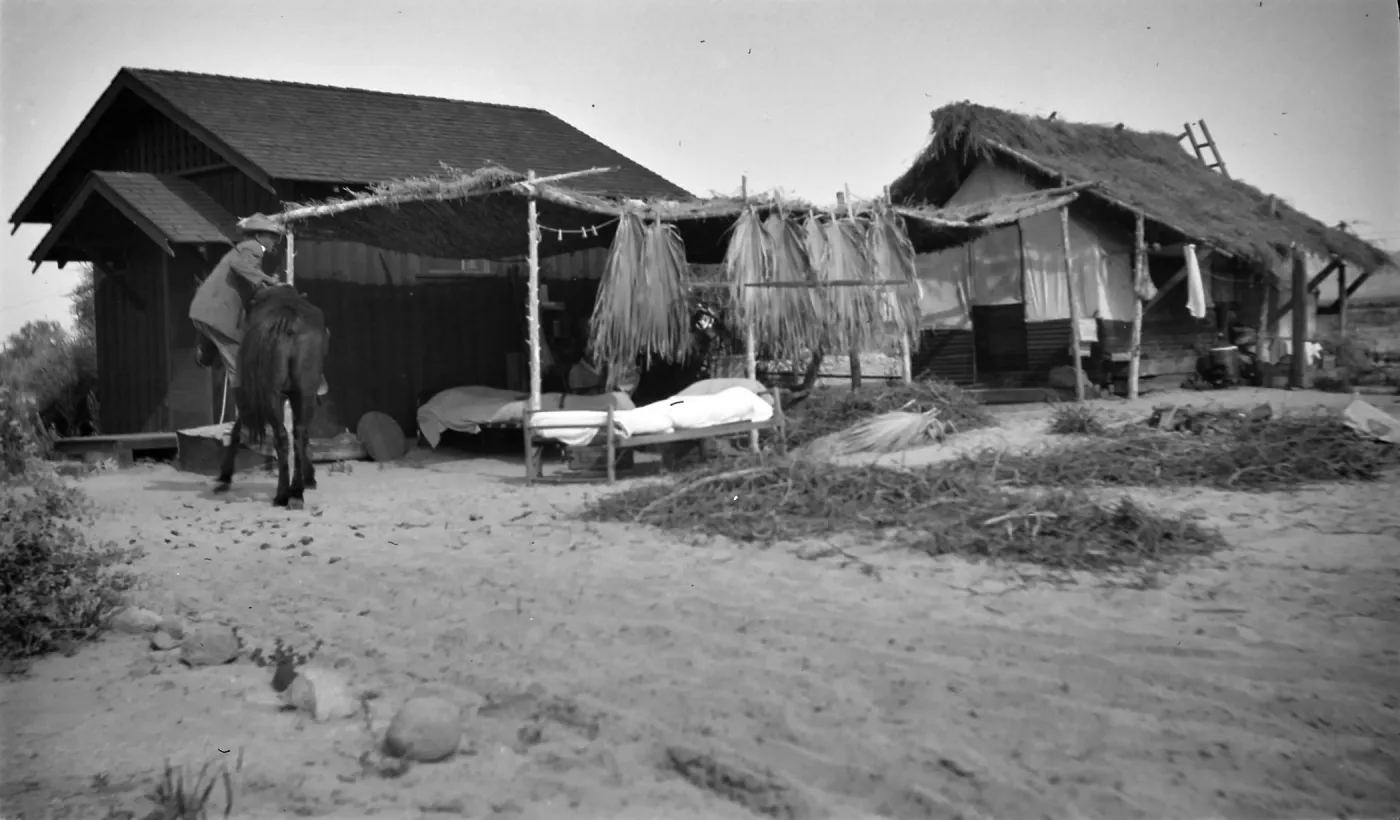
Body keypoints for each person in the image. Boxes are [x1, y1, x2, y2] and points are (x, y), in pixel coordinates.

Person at [190, 213, 328, 398]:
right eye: (272, 236)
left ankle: (205, 350)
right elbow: (239, 265)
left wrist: (266, 283)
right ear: (258, 235)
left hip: (211, 311)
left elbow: (248, 280)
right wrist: (269, 281)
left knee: (239, 351)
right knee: (239, 365)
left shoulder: (248, 250)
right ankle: (248, 418)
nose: (275, 241)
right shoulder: (253, 247)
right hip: (216, 313)